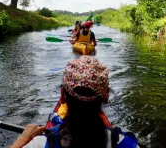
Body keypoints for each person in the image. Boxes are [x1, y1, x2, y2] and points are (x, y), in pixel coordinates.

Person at [10, 56, 139, 148]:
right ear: (105, 97)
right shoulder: (126, 144)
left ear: (63, 96)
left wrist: (22, 139)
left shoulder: (38, 144)